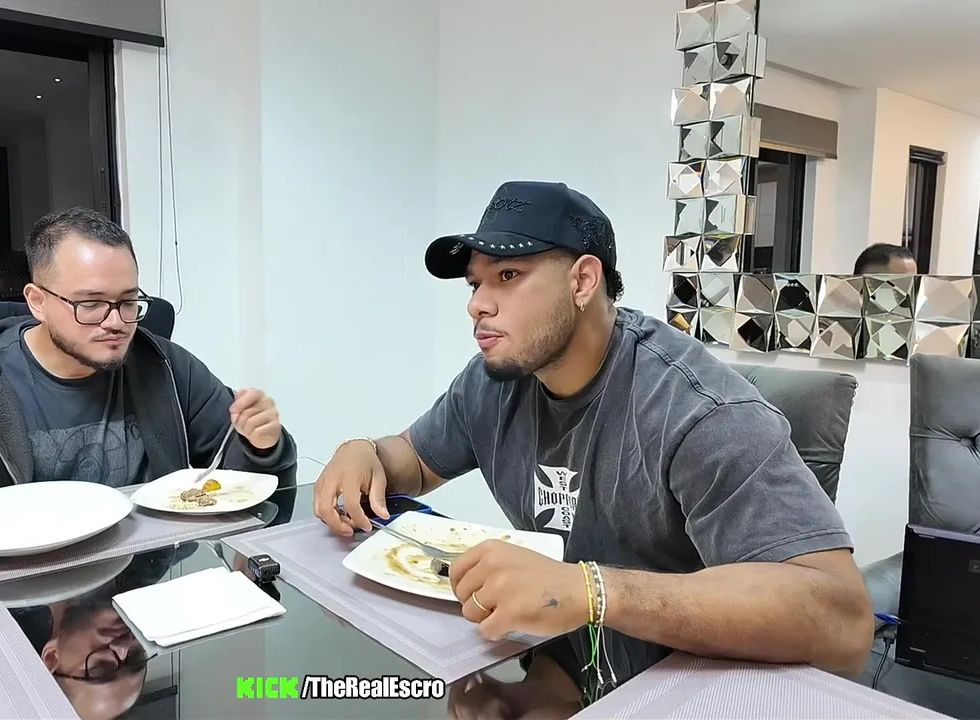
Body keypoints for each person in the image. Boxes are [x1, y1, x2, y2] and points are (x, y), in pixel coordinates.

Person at [314, 181, 874, 716]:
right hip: (567, 667)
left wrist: (593, 590)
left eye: (508, 275)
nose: (478, 305)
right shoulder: (496, 381)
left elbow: (844, 622)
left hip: (686, 686)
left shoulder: (699, 411)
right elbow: (415, 459)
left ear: (583, 281)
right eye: (474, 284)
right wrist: (365, 451)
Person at [0, 207, 296, 518]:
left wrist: (262, 445)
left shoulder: (167, 366)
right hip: (33, 585)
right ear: (37, 301)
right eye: (90, 304)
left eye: (128, 301)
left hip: (157, 574)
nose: (116, 322)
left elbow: (237, 484)